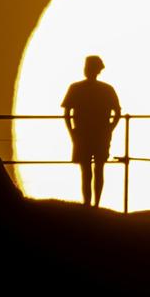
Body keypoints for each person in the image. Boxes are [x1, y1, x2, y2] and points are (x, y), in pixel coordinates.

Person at [62, 55, 121, 207]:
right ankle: (94, 205)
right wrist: (109, 129)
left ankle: (89, 204)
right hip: (97, 134)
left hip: (83, 134)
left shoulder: (76, 88)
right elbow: (118, 112)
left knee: (87, 170)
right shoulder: (107, 89)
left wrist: (72, 132)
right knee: (97, 169)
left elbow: (67, 113)